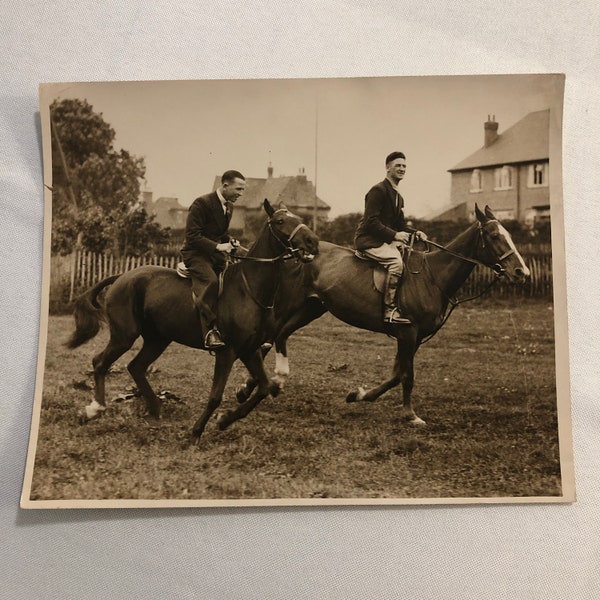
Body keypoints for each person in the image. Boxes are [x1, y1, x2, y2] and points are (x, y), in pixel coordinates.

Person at [354, 151, 427, 325]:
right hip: (369, 240)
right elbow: (371, 222)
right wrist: (394, 235)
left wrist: (415, 233)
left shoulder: (398, 196)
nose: (402, 169)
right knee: (396, 263)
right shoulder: (378, 190)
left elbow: (400, 224)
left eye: (404, 166)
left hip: (383, 241)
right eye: (398, 166)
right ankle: (389, 310)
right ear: (388, 168)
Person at [181, 170, 246, 349]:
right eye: (238, 189)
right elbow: (192, 236)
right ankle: (210, 331)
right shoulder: (201, 203)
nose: (241, 194)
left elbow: (220, 232)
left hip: (214, 255)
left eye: (243, 190)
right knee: (211, 282)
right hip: (195, 254)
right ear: (225, 185)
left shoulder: (229, 206)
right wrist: (218, 246)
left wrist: (230, 241)